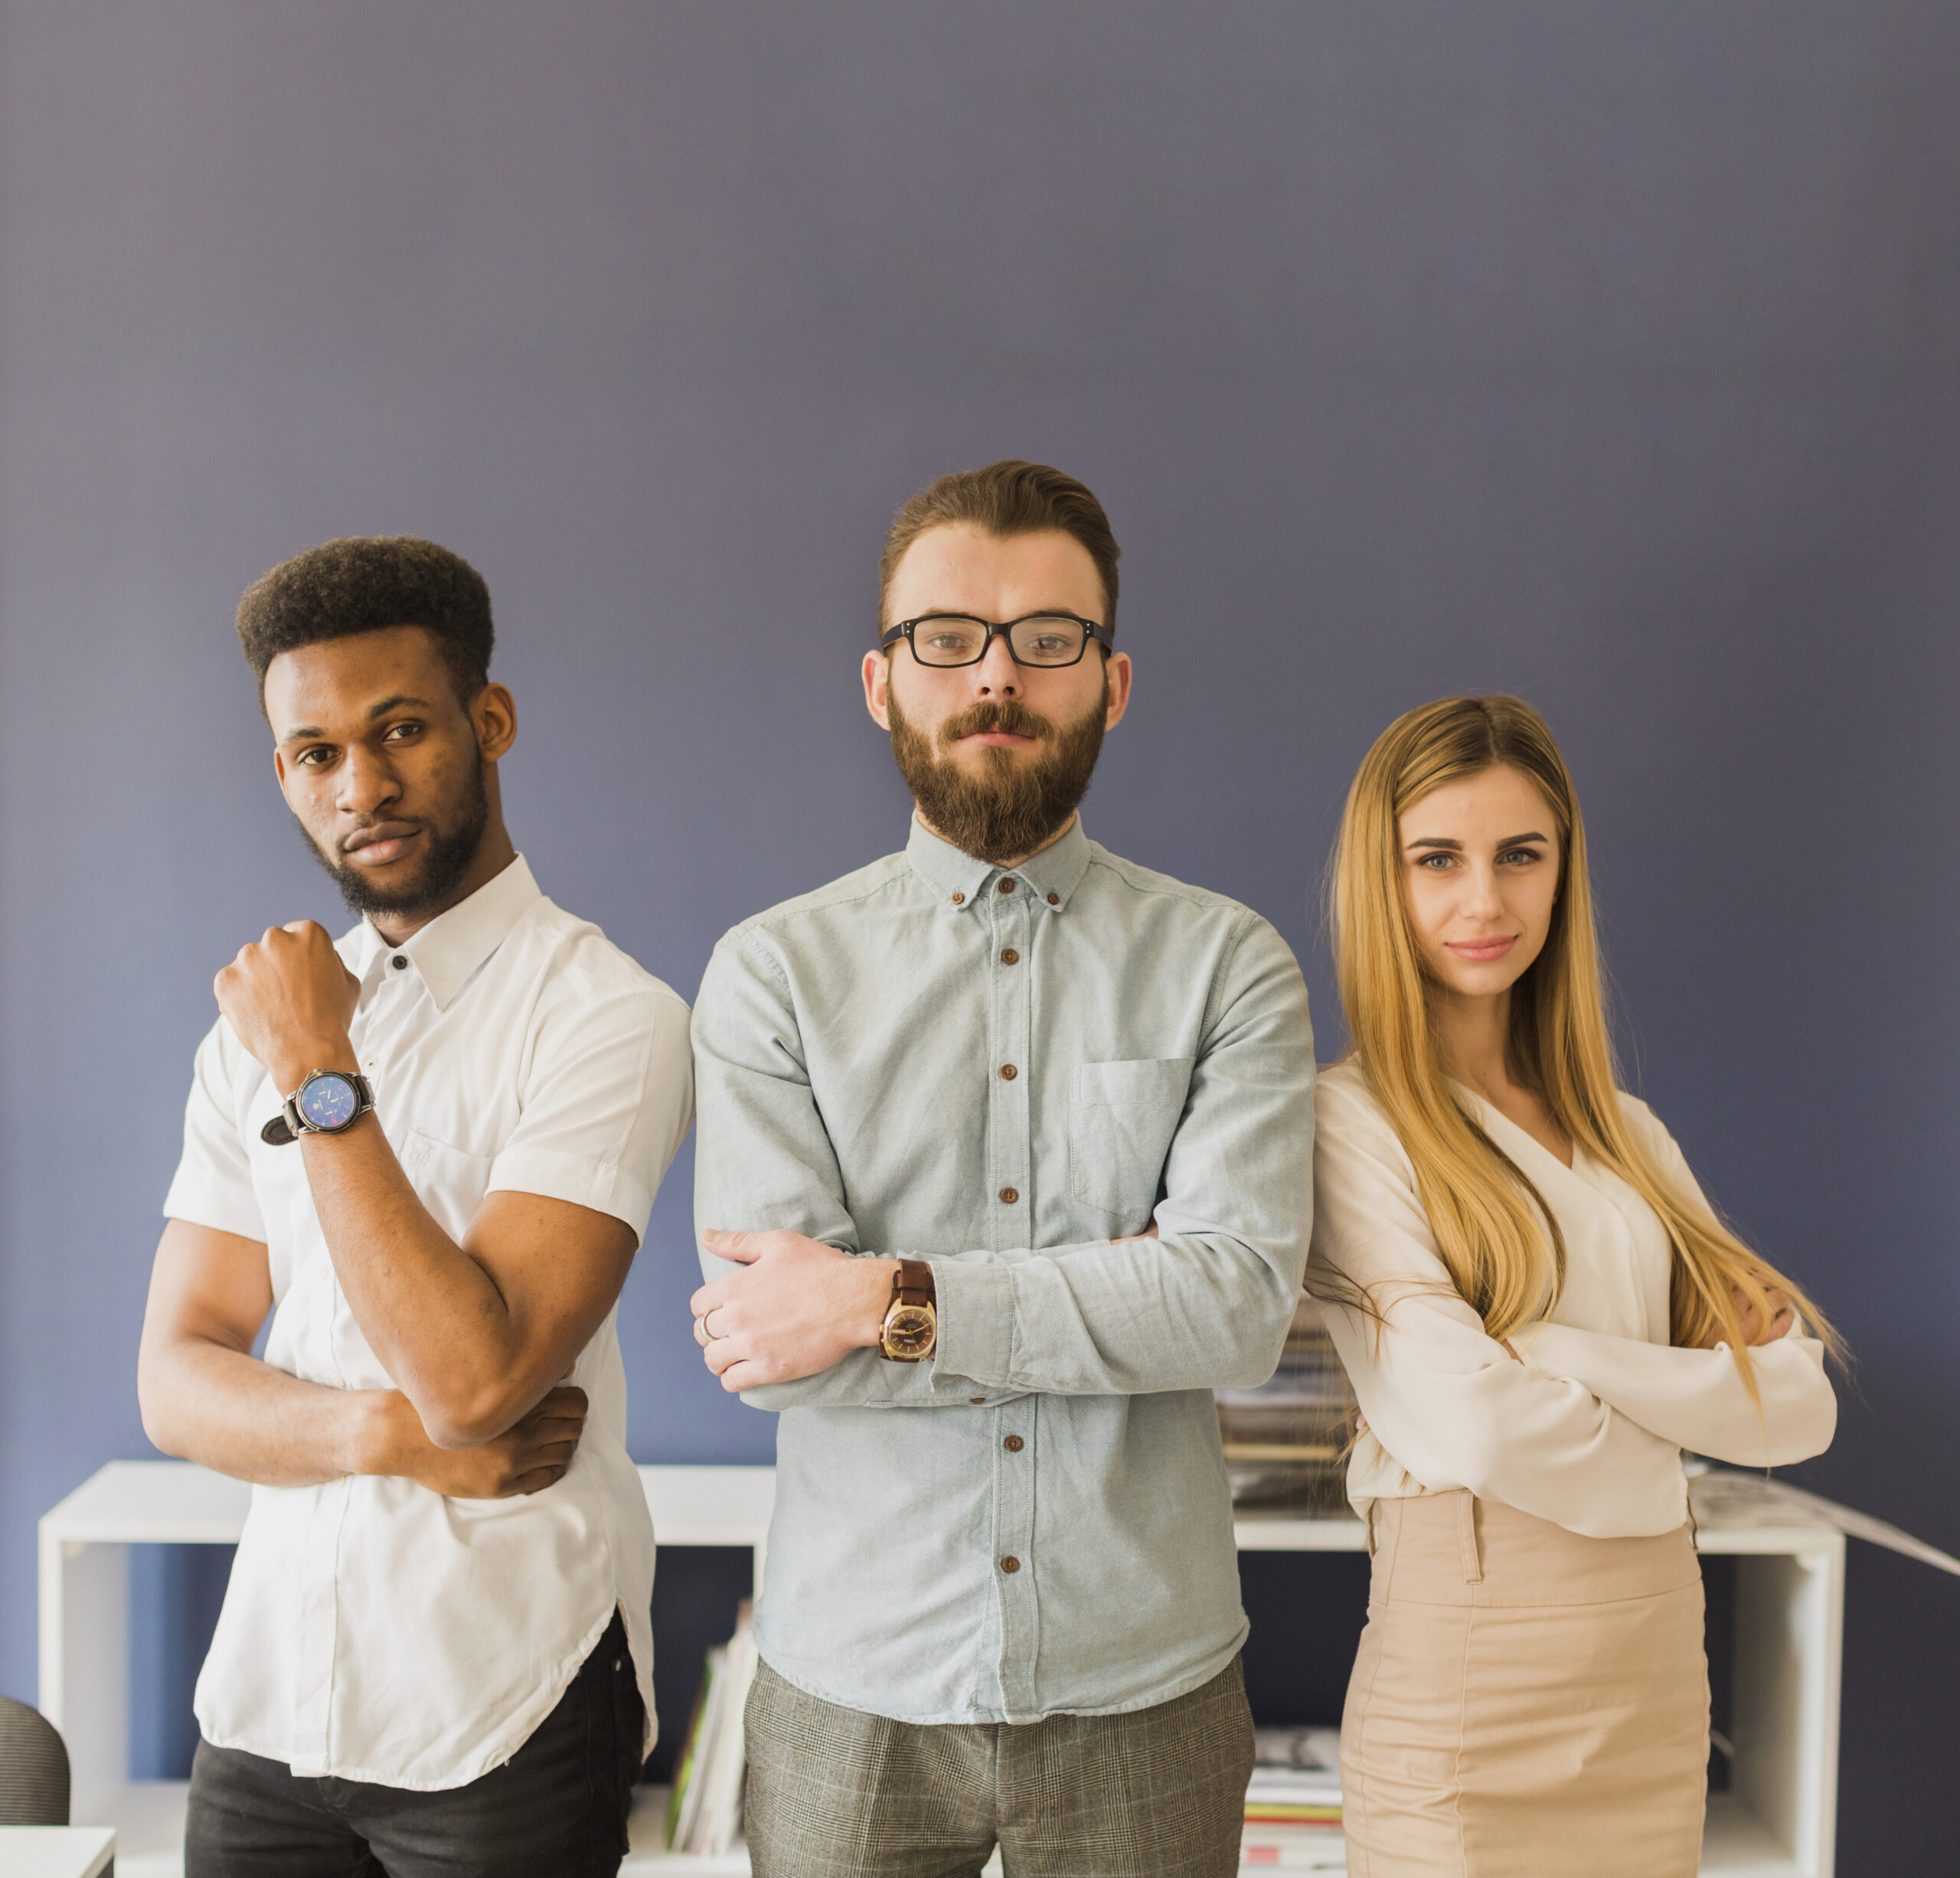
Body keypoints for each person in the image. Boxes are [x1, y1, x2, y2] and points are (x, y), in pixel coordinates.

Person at [686, 460, 1316, 1878]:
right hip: (854, 1690)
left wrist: (881, 1297)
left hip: (1147, 1690)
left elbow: (1233, 1311)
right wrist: (1114, 1297)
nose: (995, 676)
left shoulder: (1229, 965)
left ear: (1113, 681)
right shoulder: (772, 975)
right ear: (880, 683)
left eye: (1046, 638)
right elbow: (779, 1353)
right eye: (947, 638)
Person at [137, 537, 693, 1878]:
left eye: (400, 732)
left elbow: (475, 1381)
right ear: (283, 773)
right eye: (316, 754)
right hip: (269, 1702)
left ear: (488, 721)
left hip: (503, 1707)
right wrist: (382, 1436)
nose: (362, 788)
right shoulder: (260, 1024)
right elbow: (175, 1380)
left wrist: (318, 1073)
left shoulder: (606, 1016)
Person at [1310, 694, 1839, 1878]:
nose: (1484, 901)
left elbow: (1801, 1411)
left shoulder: (1628, 1138)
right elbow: (1477, 1426)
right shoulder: (1347, 1125)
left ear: (1563, 872)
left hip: (1654, 1671)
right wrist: (1685, 1409)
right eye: (1436, 860)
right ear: (1380, 880)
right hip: (1469, 1679)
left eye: (1520, 856)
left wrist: (1564, 1351)